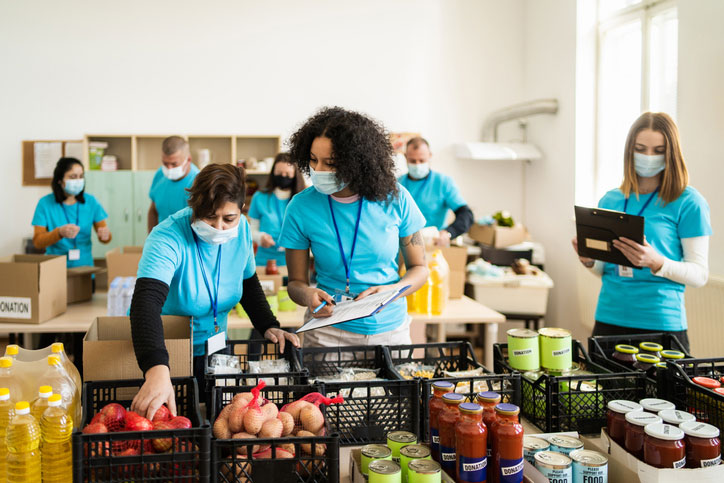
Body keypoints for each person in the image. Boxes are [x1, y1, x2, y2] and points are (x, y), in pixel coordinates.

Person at [129, 163, 299, 419]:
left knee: (220, 422)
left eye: (228, 218)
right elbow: (145, 304)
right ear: (194, 208)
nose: (220, 227)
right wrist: (155, 368)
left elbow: (248, 282)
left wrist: (268, 324)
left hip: (218, 348)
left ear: (241, 210)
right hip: (168, 351)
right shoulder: (167, 236)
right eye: (209, 217)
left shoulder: (240, 230)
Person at [279, 107, 429, 348]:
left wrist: (394, 290)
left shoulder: (396, 198)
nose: (319, 171)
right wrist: (307, 295)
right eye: (314, 160)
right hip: (329, 333)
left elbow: (420, 268)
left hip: (391, 331)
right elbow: (296, 283)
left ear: (357, 162)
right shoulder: (301, 207)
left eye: (331, 163)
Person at [572, 112, 711, 352]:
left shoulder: (689, 202)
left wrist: (657, 262)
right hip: (609, 320)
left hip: (661, 325)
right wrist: (588, 260)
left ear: (671, 153)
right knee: (604, 390)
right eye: (640, 148)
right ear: (630, 151)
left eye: (658, 150)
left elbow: (699, 275)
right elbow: (606, 269)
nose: (648, 157)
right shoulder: (611, 199)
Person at [32, 157, 112, 267]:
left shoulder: (91, 202)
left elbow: (105, 237)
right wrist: (59, 233)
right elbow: (37, 242)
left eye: (81, 176)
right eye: (73, 177)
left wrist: (105, 235)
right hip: (54, 267)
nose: (78, 180)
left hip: (85, 268)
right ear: (60, 180)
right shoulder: (45, 203)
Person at [399, 137, 474, 246]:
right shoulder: (397, 184)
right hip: (403, 246)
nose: (417, 165)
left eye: (422, 160)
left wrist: (448, 233)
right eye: (413, 161)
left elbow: (466, 214)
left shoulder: (443, 183)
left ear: (430, 156)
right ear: (406, 157)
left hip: (433, 246)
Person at [247, 152, 306, 268]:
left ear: (295, 175)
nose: (283, 176)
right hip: (265, 262)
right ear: (273, 172)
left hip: (294, 262)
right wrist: (260, 237)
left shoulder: (303, 200)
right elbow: (251, 230)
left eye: (287, 174)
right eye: (279, 173)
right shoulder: (259, 197)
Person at [147, 136, 199, 231]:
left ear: (188, 160)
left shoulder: (198, 182)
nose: (169, 169)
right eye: (165, 163)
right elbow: (153, 210)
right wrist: (151, 237)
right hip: (161, 238)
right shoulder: (160, 174)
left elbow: (198, 223)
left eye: (174, 164)